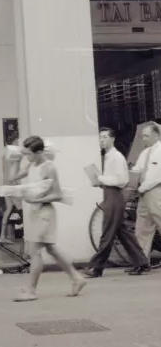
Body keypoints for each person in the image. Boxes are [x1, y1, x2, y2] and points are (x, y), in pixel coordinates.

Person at [13, 135, 86, 302]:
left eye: (29, 154)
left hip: (45, 212)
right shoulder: (32, 163)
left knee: (36, 251)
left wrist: (35, 199)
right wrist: (16, 160)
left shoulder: (49, 167)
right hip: (35, 211)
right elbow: (14, 177)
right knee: (51, 249)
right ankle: (77, 278)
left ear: (39, 152)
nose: (27, 157)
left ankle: (31, 290)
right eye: (26, 154)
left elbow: (57, 194)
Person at [83, 128, 149, 278]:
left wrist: (101, 179)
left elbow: (122, 180)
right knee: (123, 233)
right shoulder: (108, 156)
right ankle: (141, 262)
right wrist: (101, 182)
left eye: (105, 137)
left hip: (114, 197)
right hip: (111, 195)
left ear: (113, 139)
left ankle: (96, 267)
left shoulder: (116, 157)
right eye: (100, 138)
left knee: (107, 233)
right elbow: (113, 178)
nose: (102, 140)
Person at [132, 121, 161, 264]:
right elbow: (137, 169)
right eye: (142, 136)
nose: (143, 139)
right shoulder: (144, 152)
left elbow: (156, 175)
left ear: (156, 135)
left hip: (156, 191)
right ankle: (141, 262)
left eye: (146, 136)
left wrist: (141, 188)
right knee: (141, 228)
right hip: (144, 193)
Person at [0, 138, 24, 243]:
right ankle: (25, 234)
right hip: (13, 184)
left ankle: (2, 237)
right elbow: (14, 171)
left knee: (8, 209)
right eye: (17, 141)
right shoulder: (15, 152)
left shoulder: (4, 153)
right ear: (13, 142)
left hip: (6, 185)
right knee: (23, 208)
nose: (19, 143)